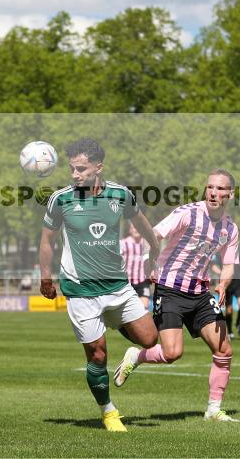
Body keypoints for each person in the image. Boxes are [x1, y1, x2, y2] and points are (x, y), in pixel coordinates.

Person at [39, 137, 160, 432]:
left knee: (150, 339)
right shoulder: (61, 199)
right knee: (98, 355)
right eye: (72, 169)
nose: (75, 174)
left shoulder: (121, 195)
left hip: (117, 286)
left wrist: (154, 249)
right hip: (80, 290)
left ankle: (119, 329)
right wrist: (45, 275)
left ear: (98, 167)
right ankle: (108, 412)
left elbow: (142, 223)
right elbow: (46, 240)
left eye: (81, 169)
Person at [114, 169, 240, 423]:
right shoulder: (188, 213)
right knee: (172, 354)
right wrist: (150, 259)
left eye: (220, 189)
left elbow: (228, 264)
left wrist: (224, 285)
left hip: (201, 293)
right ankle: (136, 356)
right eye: (210, 187)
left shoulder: (230, 228)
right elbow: (154, 234)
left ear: (230, 194)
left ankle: (214, 409)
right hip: (169, 289)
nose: (213, 193)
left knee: (224, 350)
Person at [212, 246, 240, 339]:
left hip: (239, 281)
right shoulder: (218, 248)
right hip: (227, 282)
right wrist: (222, 273)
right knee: (229, 311)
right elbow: (212, 265)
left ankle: (237, 323)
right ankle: (229, 332)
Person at [120, 223, 151, 310]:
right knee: (126, 309)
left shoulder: (146, 244)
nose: (136, 229)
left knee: (144, 307)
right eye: (134, 228)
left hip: (142, 281)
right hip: (127, 282)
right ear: (130, 230)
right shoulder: (124, 243)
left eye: (138, 227)